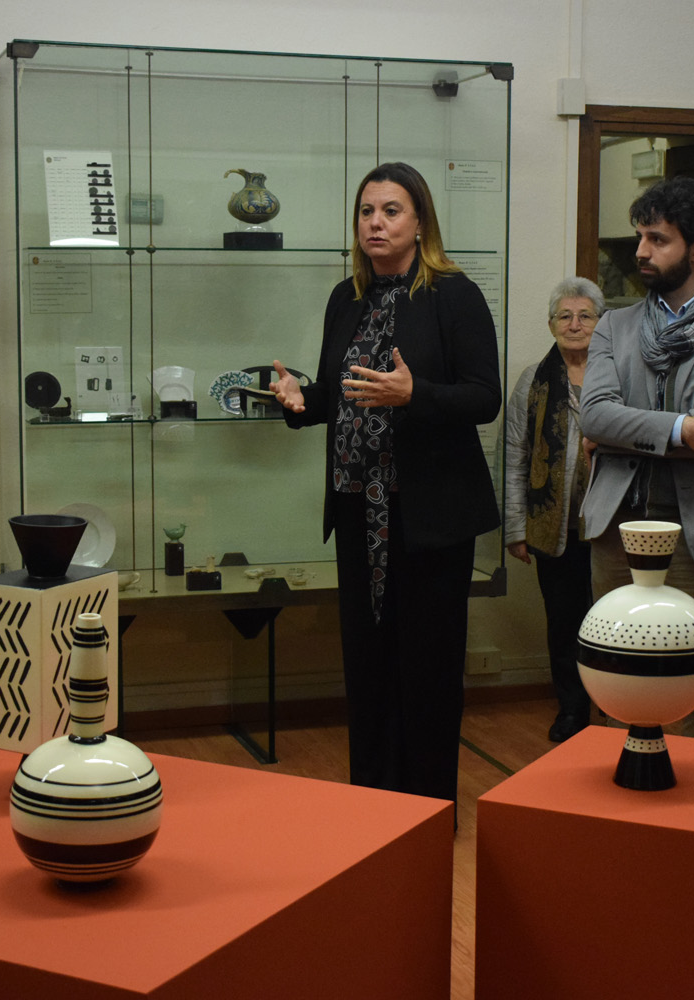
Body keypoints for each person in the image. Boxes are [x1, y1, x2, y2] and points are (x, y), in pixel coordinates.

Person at [270, 162, 500, 801]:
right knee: (368, 667)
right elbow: (337, 396)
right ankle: (370, 802)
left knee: (426, 668)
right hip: (356, 511)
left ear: (419, 221)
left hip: (428, 515)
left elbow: (484, 397)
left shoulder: (454, 296)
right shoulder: (346, 298)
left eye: (391, 210)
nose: (376, 222)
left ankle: (428, 808)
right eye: (367, 211)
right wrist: (299, 400)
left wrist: (414, 393)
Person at [580, 176, 694, 741]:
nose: (641, 251)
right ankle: (615, 816)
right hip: (619, 524)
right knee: (613, 675)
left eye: (657, 239)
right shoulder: (614, 324)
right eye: (641, 237)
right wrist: (681, 427)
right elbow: (594, 416)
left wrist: (629, 430)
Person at [504, 277, 606, 743]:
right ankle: (573, 708)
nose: (574, 324)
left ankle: (615, 705)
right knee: (565, 621)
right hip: (555, 526)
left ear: (601, 323)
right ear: (550, 324)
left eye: (585, 315)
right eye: (564, 316)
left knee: (610, 621)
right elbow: (515, 456)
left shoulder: (619, 374)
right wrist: (515, 526)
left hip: (611, 525)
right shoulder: (533, 380)